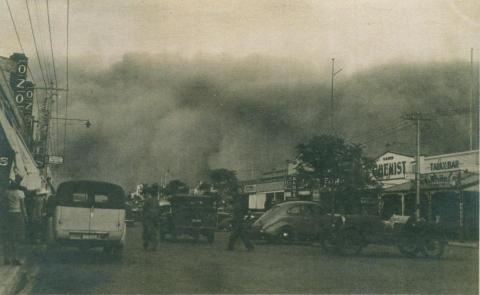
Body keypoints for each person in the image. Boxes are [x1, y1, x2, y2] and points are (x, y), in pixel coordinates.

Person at [1, 177, 28, 265]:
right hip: (18, 215)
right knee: (17, 238)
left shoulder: (6, 193)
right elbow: (23, 207)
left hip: (8, 215)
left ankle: (6, 258)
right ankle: (15, 258)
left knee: (8, 237)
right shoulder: (20, 193)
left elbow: (3, 205)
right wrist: (25, 217)